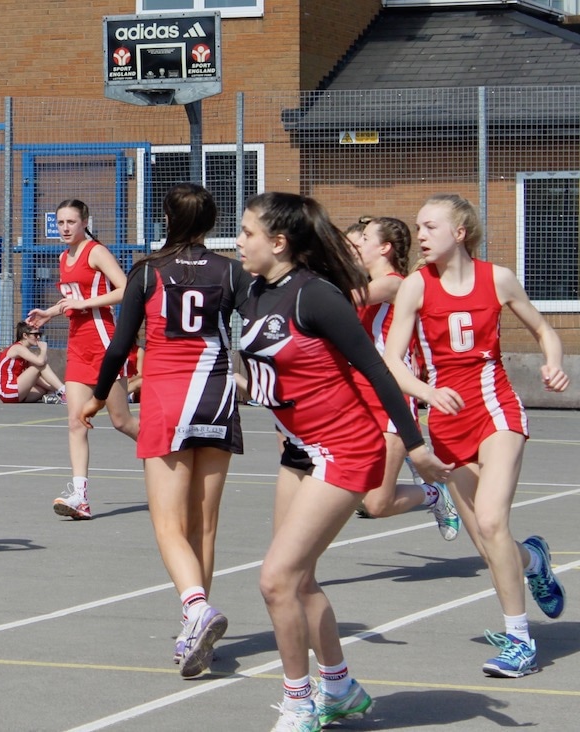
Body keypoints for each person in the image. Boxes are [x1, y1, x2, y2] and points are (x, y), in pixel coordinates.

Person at [236, 192, 451, 731]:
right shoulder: (255, 291)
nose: (238, 242)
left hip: (345, 448)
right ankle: (339, 687)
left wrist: (417, 449)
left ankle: (299, 703)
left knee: (276, 580)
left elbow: (378, 372)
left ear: (278, 242)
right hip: (299, 448)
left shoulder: (316, 296)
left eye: (247, 232)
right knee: (298, 577)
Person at [383, 193, 568, 679]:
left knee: (490, 520)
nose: (420, 235)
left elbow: (545, 330)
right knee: (490, 546)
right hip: (446, 422)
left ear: (460, 232)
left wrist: (553, 362)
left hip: (496, 409)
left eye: (430, 226)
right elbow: (391, 362)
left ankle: (519, 641)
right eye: (418, 227)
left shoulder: (497, 278)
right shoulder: (416, 287)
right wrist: (427, 390)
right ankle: (534, 560)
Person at [81, 183, 248, 678]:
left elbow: (119, 346)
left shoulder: (148, 272)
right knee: (204, 526)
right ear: (212, 224)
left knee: (168, 524)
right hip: (217, 395)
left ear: (167, 220)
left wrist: (98, 395)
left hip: (168, 399)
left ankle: (195, 608)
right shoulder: (231, 272)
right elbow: (262, 328)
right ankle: (195, 627)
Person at [27, 199, 139, 520]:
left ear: (85, 222)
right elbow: (72, 299)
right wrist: (49, 312)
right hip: (78, 345)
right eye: (60, 222)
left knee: (121, 421)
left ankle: (166, 451)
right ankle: (80, 497)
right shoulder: (64, 257)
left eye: (71, 222)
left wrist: (87, 304)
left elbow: (126, 289)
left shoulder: (96, 252)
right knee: (76, 421)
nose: (64, 228)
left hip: (103, 342)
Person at [350, 216, 461, 539]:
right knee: (355, 490)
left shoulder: (394, 284)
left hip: (390, 397)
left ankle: (434, 493)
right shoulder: (365, 282)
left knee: (378, 505)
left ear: (384, 248)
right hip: (357, 397)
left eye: (364, 240)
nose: (358, 246)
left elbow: (351, 297)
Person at [0, 321, 67, 404]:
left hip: (14, 394)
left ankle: (55, 395)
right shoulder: (17, 348)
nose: (38, 337)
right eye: (35, 334)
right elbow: (41, 362)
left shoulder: (25, 353)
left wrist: (52, 388)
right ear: (25, 335)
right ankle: (64, 391)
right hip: (8, 391)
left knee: (43, 388)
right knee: (39, 365)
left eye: (39, 334)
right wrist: (43, 349)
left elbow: (36, 378)